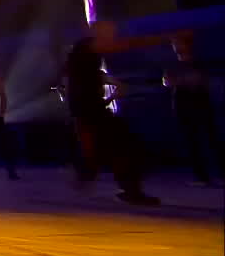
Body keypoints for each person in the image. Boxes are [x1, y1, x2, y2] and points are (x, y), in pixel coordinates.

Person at [68, 21, 173, 206]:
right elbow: (124, 45)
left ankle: (95, 175)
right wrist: (165, 37)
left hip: (92, 110)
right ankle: (109, 180)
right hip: (88, 111)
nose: (113, 34)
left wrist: (113, 87)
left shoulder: (85, 54)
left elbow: (92, 76)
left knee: (118, 146)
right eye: (109, 31)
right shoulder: (85, 46)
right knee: (121, 145)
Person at [163, 33, 220, 186]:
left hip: (201, 105)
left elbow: (202, 81)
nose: (175, 47)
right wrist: (180, 81)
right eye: (174, 44)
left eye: (178, 43)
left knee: (211, 139)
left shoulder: (198, 64)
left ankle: (217, 173)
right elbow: (167, 82)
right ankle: (201, 177)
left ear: (187, 44)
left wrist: (181, 81)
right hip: (183, 107)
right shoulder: (172, 65)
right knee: (192, 142)